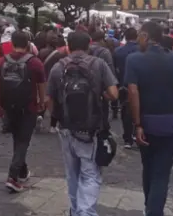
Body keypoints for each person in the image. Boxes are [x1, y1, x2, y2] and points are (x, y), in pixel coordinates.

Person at [125, 21, 173, 216]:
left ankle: (151, 208)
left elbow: (133, 92)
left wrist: (137, 124)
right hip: (171, 124)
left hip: (146, 122)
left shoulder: (134, 60)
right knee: (161, 173)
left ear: (146, 37)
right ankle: (153, 210)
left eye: (140, 34)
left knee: (148, 168)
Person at [46, 30, 118, 216]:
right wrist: (100, 95)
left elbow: (49, 99)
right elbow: (114, 94)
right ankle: (86, 212)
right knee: (90, 174)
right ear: (89, 45)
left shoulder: (58, 67)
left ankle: (75, 210)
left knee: (72, 174)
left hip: (67, 127)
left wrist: (57, 116)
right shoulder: (99, 64)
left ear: (68, 45)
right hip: (91, 129)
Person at [0, 30, 46, 193]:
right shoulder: (35, 63)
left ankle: (22, 171)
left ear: (13, 43)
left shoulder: (2, 62)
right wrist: (41, 102)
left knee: (18, 138)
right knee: (23, 141)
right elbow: (41, 85)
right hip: (28, 107)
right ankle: (13, 176)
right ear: (29, 43)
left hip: (9, 106)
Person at [113, 27, 139, 148]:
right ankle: (136, 133)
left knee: (125, 111)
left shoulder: (118, 51)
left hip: (123, 84)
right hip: (139, 85)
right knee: (139, 109)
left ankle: (127, 137)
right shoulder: (141, 50)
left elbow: (114, 70)